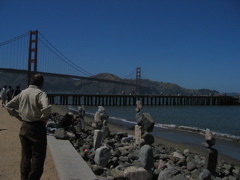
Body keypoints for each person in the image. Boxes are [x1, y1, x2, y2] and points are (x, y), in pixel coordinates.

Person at [6, 74, 51, 180]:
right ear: (41, 83)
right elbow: (46, 107)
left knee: (25, 157)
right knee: (38, 158)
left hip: (24, 127)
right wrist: (44, 117)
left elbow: (8, 105)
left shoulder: (23, 92)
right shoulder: (41, 93)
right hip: (37, 128)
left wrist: (17, 116)